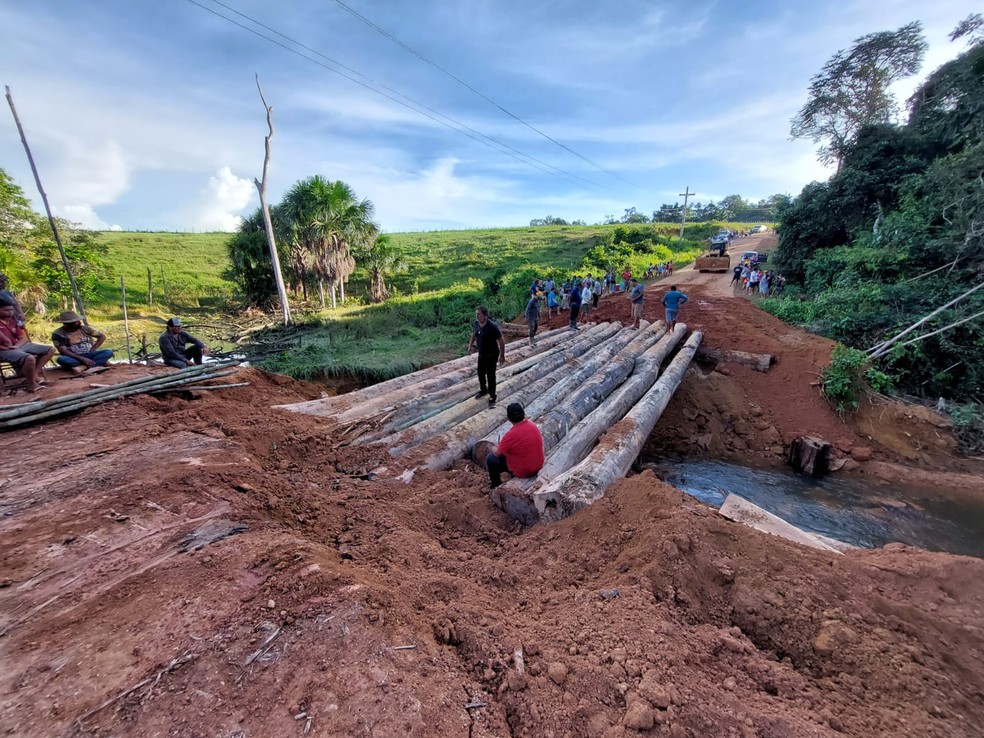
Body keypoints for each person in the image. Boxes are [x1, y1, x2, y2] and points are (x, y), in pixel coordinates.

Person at [0, 297, 56, 393]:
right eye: (6, 310)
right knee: (29, 358)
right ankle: (32, 384)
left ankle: (34, 375)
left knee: (50, 349)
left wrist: (17, 346)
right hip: (4, 350)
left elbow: (23, 338)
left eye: (11, 310)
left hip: (17, 346)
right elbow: (6, 343)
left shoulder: (13, 322)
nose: (10, 312)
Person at [486, 402, 544, 488]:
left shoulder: (511, 435)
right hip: (538, 465)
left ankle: (496, 484)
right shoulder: (532, 425)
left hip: (524, 472)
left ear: (508, 418)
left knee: (490, 458)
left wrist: (492, 447)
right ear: (523, 414)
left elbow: (497, 453)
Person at [467, 305, 505, 408]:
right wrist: (470, 345)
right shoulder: (476, 324)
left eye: (478, 314)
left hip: (492, 354)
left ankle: (492, 396)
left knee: (491, 375)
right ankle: (483, 390)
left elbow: (501, 341)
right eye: (476, 314)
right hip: (482, 353)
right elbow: (474, 334)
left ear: (484, 315)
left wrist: (502, 355)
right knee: (480, 372)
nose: (477, 316)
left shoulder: (492, 326)